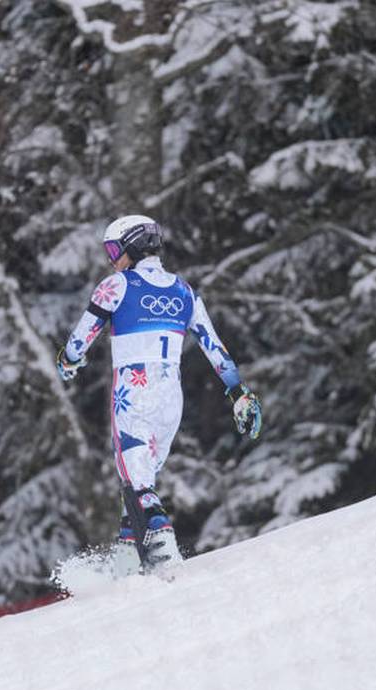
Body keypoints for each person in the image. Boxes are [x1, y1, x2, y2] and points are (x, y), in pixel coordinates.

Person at [56, 214, 263, 574]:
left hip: (133, 390)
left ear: (132, 246)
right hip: (171, 397)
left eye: (113, 249)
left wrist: (68, 361)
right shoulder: (184, 291)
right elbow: (215, 347)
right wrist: (239, 393)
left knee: (139, 484)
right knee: (138, 480)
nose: (112, 259)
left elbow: (79, 340)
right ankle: (125, 564)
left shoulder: (116, 286)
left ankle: (165, 558)